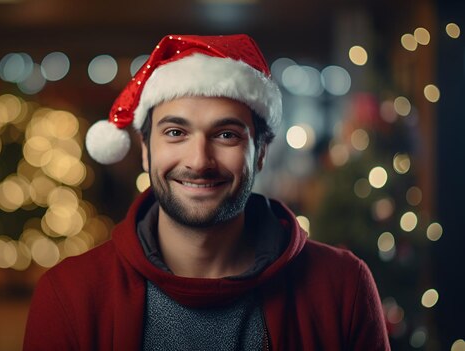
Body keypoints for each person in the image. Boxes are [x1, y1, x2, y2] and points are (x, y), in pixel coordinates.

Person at [23, 34, 389, 350]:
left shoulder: (343, 286)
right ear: (146, 149)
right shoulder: (69, 294)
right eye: (175, 133)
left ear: (260, 152)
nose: (199, 161)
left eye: (226, 134)